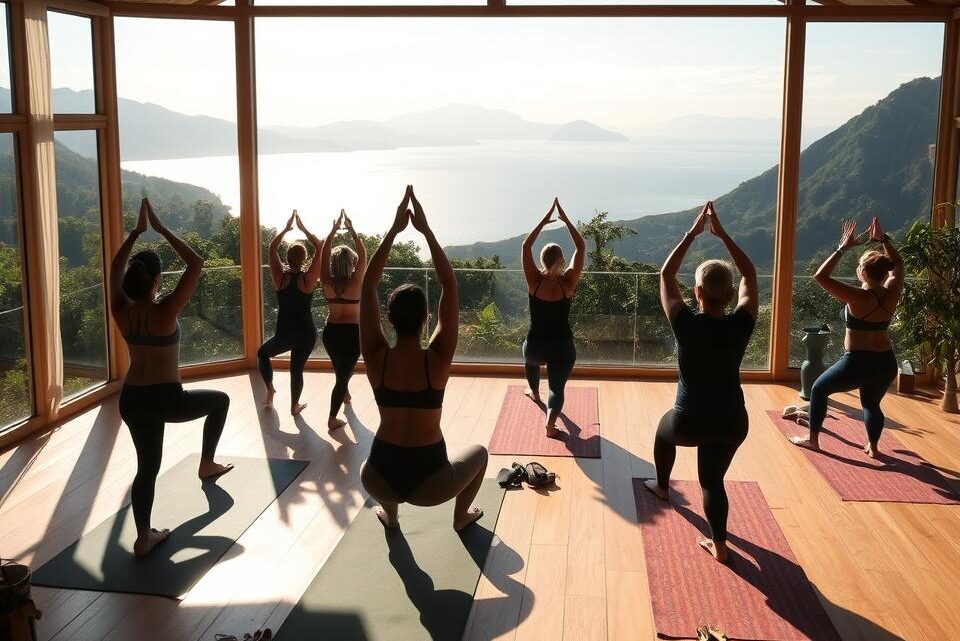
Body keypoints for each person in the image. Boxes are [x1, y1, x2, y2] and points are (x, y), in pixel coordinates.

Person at [359, 185, 488, 531]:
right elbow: (450, 285)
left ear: (389, 318)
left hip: (379, 479)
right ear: (426, 319)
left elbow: (368, 284)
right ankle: (460, 518)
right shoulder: (438, 360)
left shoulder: (375, 358)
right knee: (480, 454)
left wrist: (393, 230)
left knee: (367, 468)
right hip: (431, 485)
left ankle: (391, 515)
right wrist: (426, 231)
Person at [109, 198, 233, 557]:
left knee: (146, 469)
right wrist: (161, 230)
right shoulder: (165, 311)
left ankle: (144, 536)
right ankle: (207, 463)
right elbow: (196, 262)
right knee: (220, 402)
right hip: (166, 398)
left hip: (132, 399)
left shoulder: (121, 311)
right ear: (157, 281)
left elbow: (114, 269)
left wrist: (134, 234)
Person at [644, 201, 758, 564]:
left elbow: (665, 275)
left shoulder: (686, 324)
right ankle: (720, 546)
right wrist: (723, 236)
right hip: (732, 421)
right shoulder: (742, 323)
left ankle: (662, 488)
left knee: (664, 432)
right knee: (711, 481)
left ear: (696, 293)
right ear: (729, 296)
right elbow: (751, 277)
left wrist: (693, 234)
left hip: (690, 420)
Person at [788, 216, 902, 458]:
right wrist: (884, 240)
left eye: (859, 264)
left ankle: (813, 441)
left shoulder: (858, 297)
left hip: (858, 362)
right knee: (871, 404)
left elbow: (820, 276)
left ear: (862, 271)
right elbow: (899, 264)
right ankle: (874, 446)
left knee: (818, 389)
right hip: (886, 362)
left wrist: (842, 247)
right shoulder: (892, 291)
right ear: (884, 272)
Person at [520, 197, 585, 438]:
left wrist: (544, 220)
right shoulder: (568, 282)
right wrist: (566, 220)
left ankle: (534, 393)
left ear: (541, 261)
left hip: (535, 347)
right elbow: (581, 247)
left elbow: (526, 245)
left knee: (528, 356)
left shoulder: (533, 282)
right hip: (562, 348)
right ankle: (550, 421)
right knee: (556, 388)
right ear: (561, 261)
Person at [258, 211, 323, 416]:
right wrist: (303, 229)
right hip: (306, 333)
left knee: (262, 353)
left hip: (284, 334)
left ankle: (270, 389)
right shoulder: (308, 279)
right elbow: (320, 247)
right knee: (296, 370)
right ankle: (294, 406)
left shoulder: (280, 278)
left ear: (287, 257)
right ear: (304, 258)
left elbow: (271, 247)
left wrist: (286, 229)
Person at [319, 209, 366, 431]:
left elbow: (323, 254)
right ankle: (331, 418)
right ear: (350, 264)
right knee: (342, 375)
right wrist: (352, 229)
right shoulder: (355, 283)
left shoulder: (326, 281)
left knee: (341, 369)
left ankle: (345, 392)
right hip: (351, 334)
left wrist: (333, 231)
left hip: (330, 332)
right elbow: (364, 254)